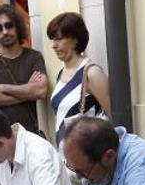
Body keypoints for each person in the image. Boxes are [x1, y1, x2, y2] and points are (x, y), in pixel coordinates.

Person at [0, 4, 48, 133]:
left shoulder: (34, 57)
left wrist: (3, 88)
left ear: (17, 27)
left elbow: (41, 91)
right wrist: (28, 92)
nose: (5, 32)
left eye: (9, 25)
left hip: (30, 134)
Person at [47, 11, 111, 139]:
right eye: (52, 39)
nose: (53, 45)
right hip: (66, 153)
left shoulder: (92, 73)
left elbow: (114, 115)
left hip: (89, 152)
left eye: (59, 39)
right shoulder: (61, 72)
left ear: (75, 39)